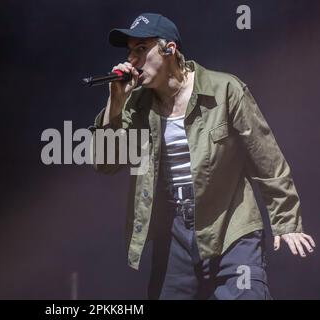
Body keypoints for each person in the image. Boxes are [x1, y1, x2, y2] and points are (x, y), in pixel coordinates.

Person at [90, 13, 315, 299]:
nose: (132, 61)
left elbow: (267, 160)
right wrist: (116, 102)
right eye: (129, 52)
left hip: (230, 227)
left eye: (141, 50)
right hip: (173, 235)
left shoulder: (225, 91)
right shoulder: (135, 105)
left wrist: (286, 221)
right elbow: (105, 163)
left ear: (170, 49)